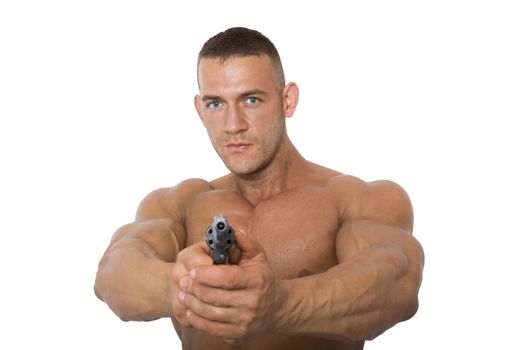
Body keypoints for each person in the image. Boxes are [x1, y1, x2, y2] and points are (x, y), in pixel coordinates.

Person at [94, 27, 424, 350]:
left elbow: (397, 283)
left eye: (251, 100)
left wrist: (280, 306)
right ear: (199, 110)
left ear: (287, 101)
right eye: (215, 104)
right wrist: (183, 288)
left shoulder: (357, 199)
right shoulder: (179, 202)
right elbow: (113, 273)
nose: (233, 125)